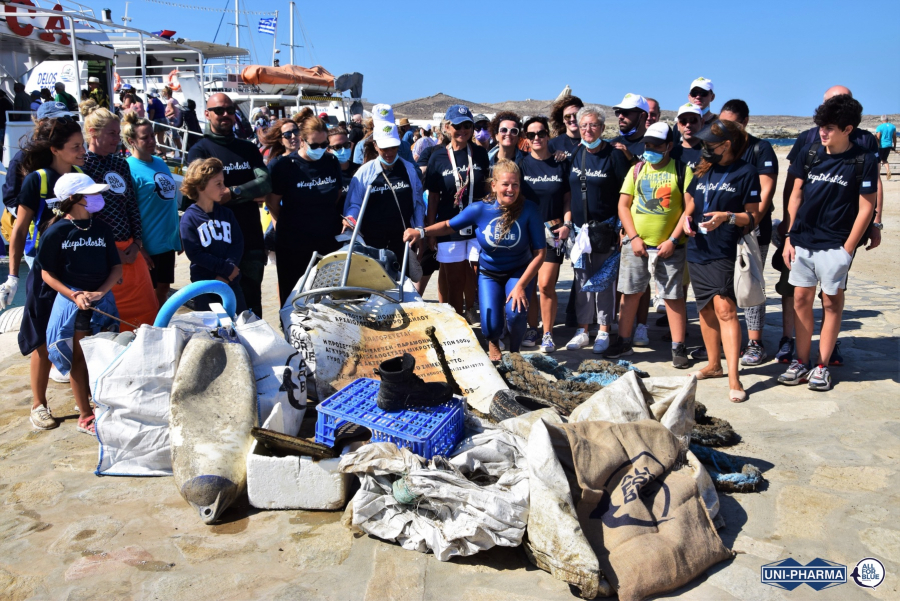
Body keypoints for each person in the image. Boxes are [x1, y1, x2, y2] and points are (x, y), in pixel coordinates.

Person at [779, 95, 877, 392]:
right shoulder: (809, 154)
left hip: (835, 245)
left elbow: (866, 208)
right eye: (821, 125)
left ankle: (822, 366)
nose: (823, 132)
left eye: (830, 127)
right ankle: (801, 361)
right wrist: (787, 236)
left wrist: (847, 249)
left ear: (848, 129)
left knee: (831, 303)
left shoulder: (862, 160)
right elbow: (795, 195)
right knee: (800, 301)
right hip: (802, 242)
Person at [404, 159, 545, 360]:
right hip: (490, 273)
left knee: (515, 314)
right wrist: (421, 232)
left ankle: (515, 354)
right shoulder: (480, 209)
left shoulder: (529, 209)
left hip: (519, 271)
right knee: (490, 325)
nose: (511, 189)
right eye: (505, 184)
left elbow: (540, 253)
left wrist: (522, 285)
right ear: (494, 185)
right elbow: (448, 225)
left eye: (515, 184)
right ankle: (494, 346)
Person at [0, 114, 85, 431]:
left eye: (82, 145)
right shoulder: (36, 180)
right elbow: (20, 230)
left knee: (77, 336)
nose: (82, 152)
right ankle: (39, 405)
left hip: (77, 269)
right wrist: (12, 276)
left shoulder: (80, 176)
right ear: (56, 149)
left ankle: (84, 401)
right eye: (76, 147)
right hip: (44, 270)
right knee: (41, 343)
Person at [37, 173, 122, 435]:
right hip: (73, 302)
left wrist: (100, 292)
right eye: (91, 194)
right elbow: (46, 273)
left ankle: (102, 404)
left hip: (101, 300)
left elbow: (116, 267)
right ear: (74, 199)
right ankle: (85, 414)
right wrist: (74, 295)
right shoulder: (56, 231)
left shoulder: (103, 228)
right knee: (79, 357)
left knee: (106, 354)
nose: (98, 198)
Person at [683, 119, 760, 403]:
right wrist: (685, 217)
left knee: (725, 310)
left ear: (727, 145)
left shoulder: (746, 172)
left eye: (710, 144)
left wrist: (726, 217)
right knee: (704, 309)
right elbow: (691, 196)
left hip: (725, 248)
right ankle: (714, 365)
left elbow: (752, 216)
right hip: (698, 247)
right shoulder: (703, 168)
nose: (704, 148)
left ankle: (734, 377)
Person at [608, 122, 691, 366]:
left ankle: (678, 347)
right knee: (630, 293)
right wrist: (633, 237)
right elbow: (624, 205)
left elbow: (688, 208)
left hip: (670, 248)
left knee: (673, 296)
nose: (650, 148)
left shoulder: (681, 170)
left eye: (656, 145)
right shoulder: (637, 170)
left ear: (669, 146)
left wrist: (673, 240)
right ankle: (624, 341)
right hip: (637, 246)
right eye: (647, 144)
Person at [187, 93, 271, 316]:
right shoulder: (199, 151)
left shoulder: (249, 149)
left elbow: (265, 183)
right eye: (219, 110)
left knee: (252, 308)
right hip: (216, 247)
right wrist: (249, 192)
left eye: (230, 110)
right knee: (217, 311)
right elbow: (201, 191)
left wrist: (233, 193)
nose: (225, 115)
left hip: (251, 240)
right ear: (207, 114)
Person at [80, 101, 159, 330]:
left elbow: (131, 205)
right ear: (93, 133)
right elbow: (84, 215)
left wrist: (137, 242)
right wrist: (109, 251)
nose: (117, 139)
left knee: (147, 309)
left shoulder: (120, 164)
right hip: (103, 253)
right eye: (111, 133)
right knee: (113, 317)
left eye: (117, 133)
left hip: (131, 251)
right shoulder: (82, 166)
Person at [718, 99, 780, 366]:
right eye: (721, 123)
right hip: (721, 230)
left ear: (744, 122)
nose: (725, 128)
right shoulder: (717, 147)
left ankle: (755, 342)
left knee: (751, 284)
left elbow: (766, 191)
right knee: (723, 288)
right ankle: (728, 342)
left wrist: (751, 223)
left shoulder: (760, 148)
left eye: (731, 123)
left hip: (751, 230)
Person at [565, 106, 630, 353]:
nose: (588, 130)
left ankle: (604, 329)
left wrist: (622, 227)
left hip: (606, 229)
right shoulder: (576, 153)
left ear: (602, 128)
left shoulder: (613, 155)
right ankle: (582, 330)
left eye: (593, 125)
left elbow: (627, 192)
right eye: (584, 125)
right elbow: (568, 192)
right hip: (579, 232)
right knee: (581, 279)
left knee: (604, 280)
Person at [265, 111, 341, 307]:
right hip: (293, 244)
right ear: (302, 140)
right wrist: (288, 223)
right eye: (315, 145)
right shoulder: (284, 166)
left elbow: (336, 195)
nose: (320, 149)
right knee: (294, 298)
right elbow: (272, 202)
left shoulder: (331, 162)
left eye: (325, 145)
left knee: (325, 299)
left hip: (326, 241)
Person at [426, 105, 490, 318]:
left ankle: (486, 322)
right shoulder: (437, 157)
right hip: (449, 226)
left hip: (478, 226)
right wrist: (430, 230)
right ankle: (458, 327)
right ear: (447, 127)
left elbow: (488, 189)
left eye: (467, 125)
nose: (462, 130)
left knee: (480, 278)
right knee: (454, 283)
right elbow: (433, 197)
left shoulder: (481, 154)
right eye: (457, 125)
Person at [516, 116, 571, 353]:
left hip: (553, 232)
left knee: (546, 284)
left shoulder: (561, 162)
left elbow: (568, 198)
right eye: (531, 135)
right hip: (526, 233)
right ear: (526, 139)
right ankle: (532, 327)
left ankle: (548, 333)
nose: (536, 138)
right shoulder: (521, 165)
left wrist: (568, 223)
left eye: (541, 133)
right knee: (528, 284)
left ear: (548, 135)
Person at [121, 112, 181, 309]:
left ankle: (158, 328)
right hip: (147, 244)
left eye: (152, 135)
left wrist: (178, 236)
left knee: (163, 289)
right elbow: (127, 211)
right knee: (146, 294)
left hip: (167, 243)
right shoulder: (128, 168)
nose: (151, 140)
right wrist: (140, 247)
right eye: (144, 137)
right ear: (131, 141)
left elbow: (170, 202)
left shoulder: (160, 162)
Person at [344, 120, 425, 263]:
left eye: (393, 147)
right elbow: (355, 203)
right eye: (384, 148)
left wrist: (419, 230)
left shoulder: (409, 170)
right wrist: (350, 219)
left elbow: (418, 203)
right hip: (371, 244)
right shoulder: (364, 173)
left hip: (403, 242)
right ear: (375, 146)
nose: (389, 152)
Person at [179, 158, 247, 313]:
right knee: (211, 333)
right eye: (218, 184)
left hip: (231, 283)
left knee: (240, 326)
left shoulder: (227, 213)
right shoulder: (189, 218)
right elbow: (195, 253)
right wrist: (224, 268)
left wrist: (228, 272)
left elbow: (237, 243)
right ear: (201, 185)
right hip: (205, 287)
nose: (224, 188)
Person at [610, 93, 650, 162]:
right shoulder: (613, 144)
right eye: (618, 112)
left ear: (642, 116)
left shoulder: (653, 145)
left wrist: (631, 157)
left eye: (625, 112)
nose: (620, 117)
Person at [327, 125, 359, 200]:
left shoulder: (360, 170)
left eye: (346, 145)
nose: (343, 150)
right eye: (337, 147)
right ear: (328, 149)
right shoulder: (325, 173)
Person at [548, 95, 584, 160]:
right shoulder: (553, 144)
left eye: (576, 115)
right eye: (567, 116)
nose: (572, 119)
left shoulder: (591, 143)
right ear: (563, 120)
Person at [670, 103, 705, 169]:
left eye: (693, 120)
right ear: (677, 125)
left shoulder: (709, 153)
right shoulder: (670, 154)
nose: (688, 125)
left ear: (702, 122)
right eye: (683, 121)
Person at [875, 115, 896, 180]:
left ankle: (877, 174)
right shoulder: (893, 126)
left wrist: (876, 146)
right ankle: (888, 170)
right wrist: (894, 146)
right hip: (888, 145)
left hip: (881, 146)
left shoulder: (879, 127)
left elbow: (878, 137)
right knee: (884, 159)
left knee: (878, 159)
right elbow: (894, 137)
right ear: (887, 119)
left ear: (881, 120)